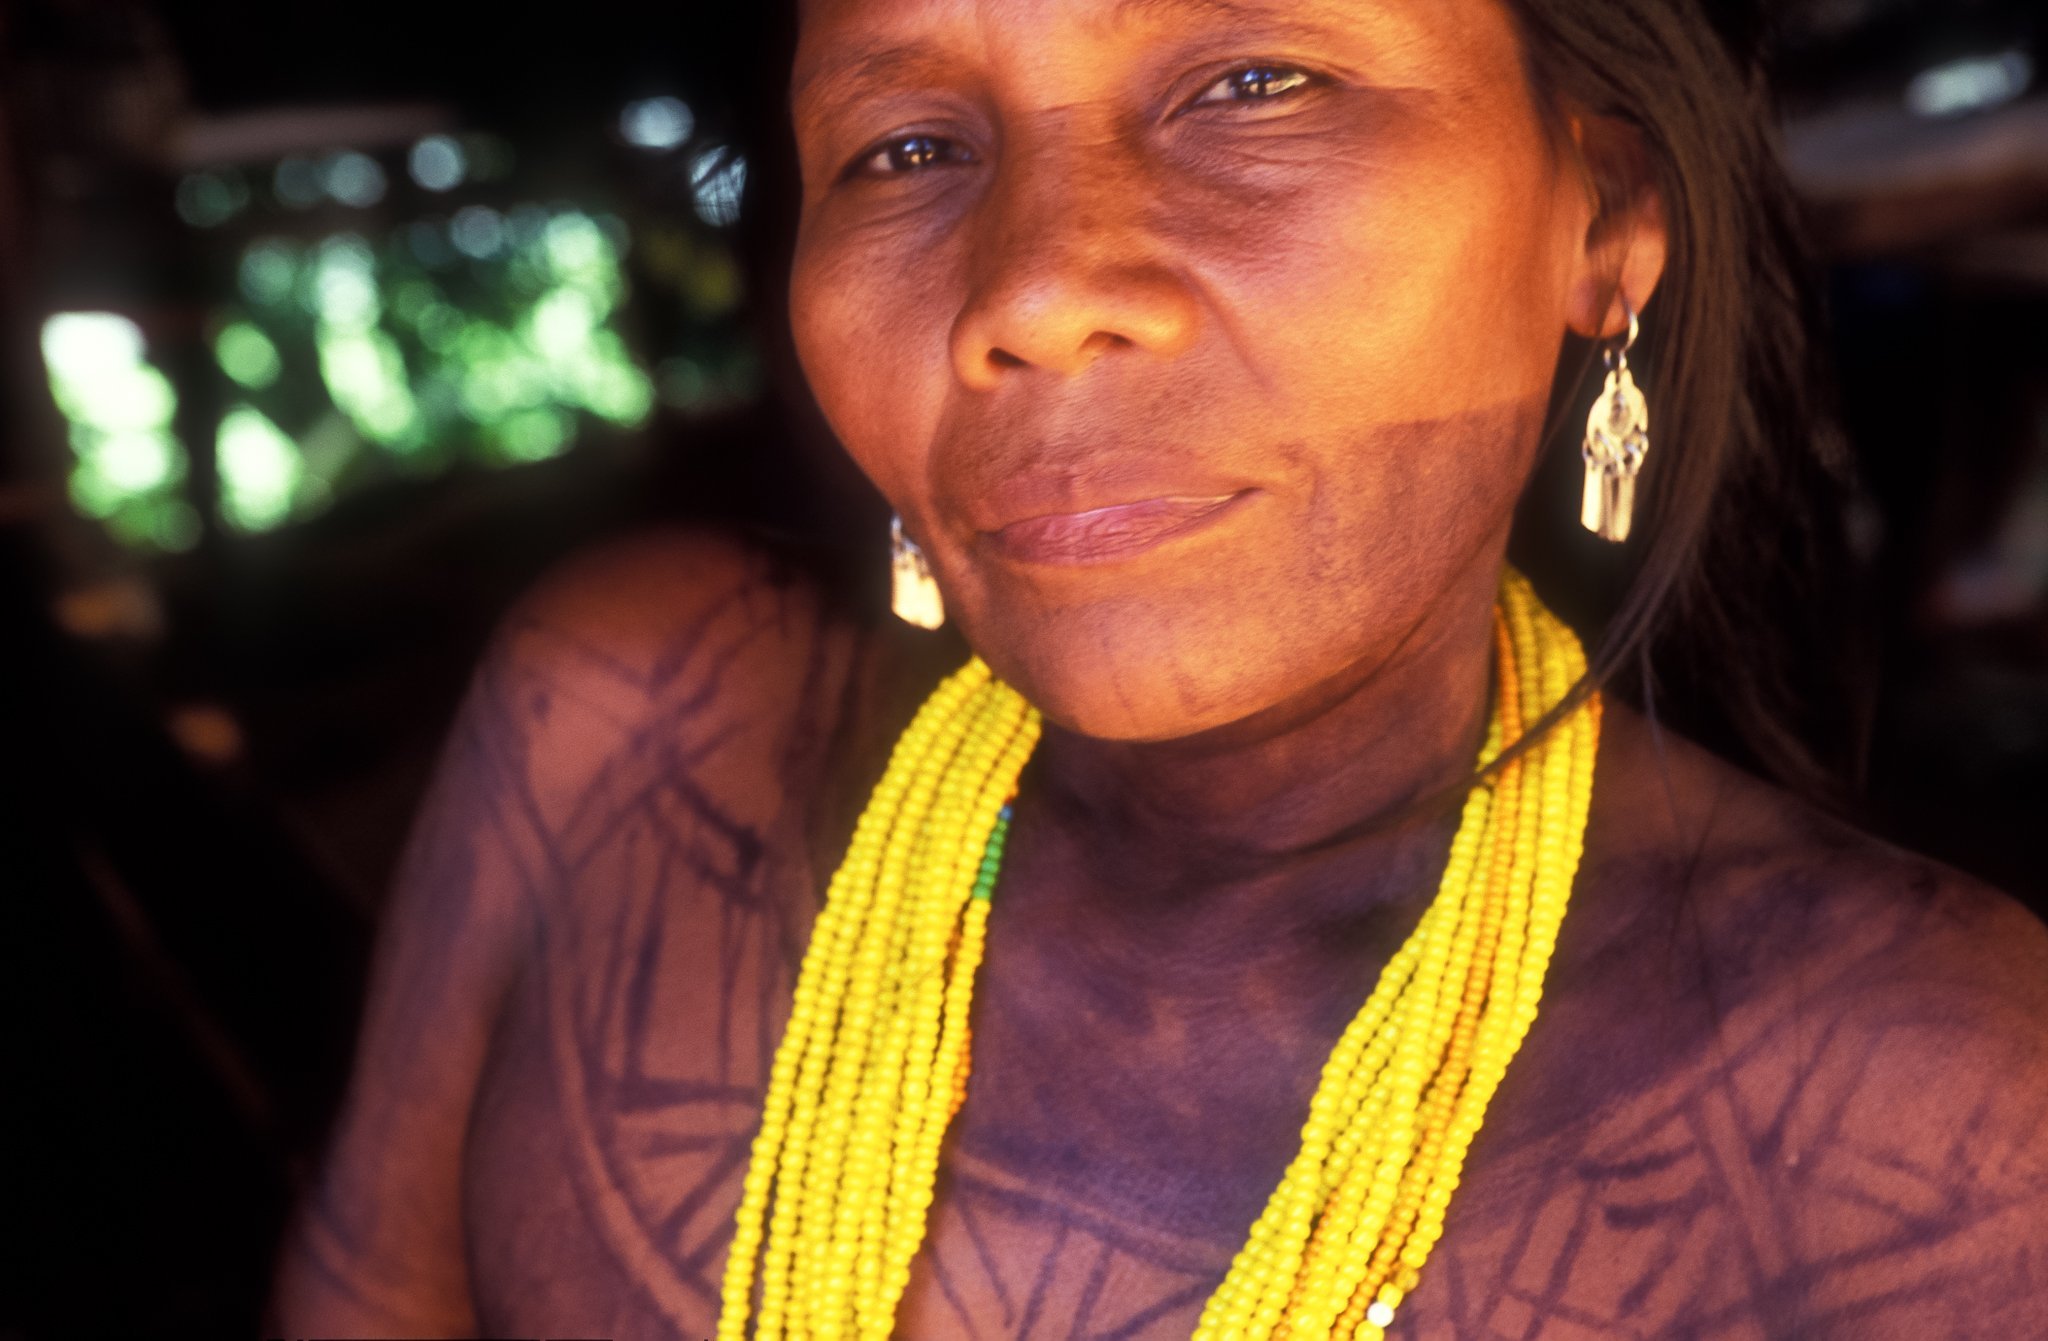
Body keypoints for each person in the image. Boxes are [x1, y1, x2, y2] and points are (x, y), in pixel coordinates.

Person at [266, 0, 2048, 1335]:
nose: (1032, 288)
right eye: (905, 147)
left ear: (1606, 217)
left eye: (1254, 81)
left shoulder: (1944, 1100)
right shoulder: (633, 721)